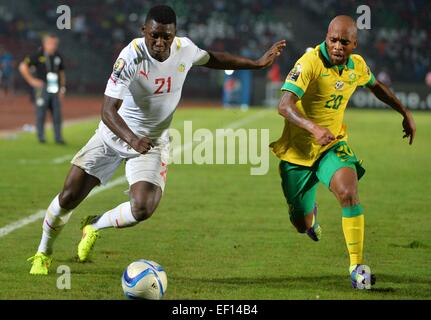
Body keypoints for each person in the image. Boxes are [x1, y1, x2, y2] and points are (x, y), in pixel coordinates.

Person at [28, 5, 286, 275]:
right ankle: (43, 252)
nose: (160, 42)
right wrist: (131, 138)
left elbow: (214, 58)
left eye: (167, 36)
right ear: (144, 31)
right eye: (155, 36)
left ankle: (94, 225)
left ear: (174, 35)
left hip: (151, 143)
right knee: (69, 196)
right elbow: (107, 111)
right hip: (114, 135)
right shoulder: (130, 56)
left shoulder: (184, 48)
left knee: (143, 207)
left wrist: (255, 63)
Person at [270, 16, 416, 289]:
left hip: (331, 146)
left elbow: (377, 88)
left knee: (348, 192)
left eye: (344, 42)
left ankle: (357, 266)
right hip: (297, 154)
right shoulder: (309, 63)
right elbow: (284, 106)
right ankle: (309, 215)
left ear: (354, 44)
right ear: (326, 37)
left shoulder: (356, 66)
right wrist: (313, 128)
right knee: (301, 224)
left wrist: (404, 112)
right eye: (332, 40)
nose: (337, 46)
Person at [19, 34, 66, 144]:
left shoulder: (58, 56)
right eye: (51, 43)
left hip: (55, 87)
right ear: (45, 43)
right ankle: (41, 137)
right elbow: (22, 66)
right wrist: (31, 81)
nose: (53, 46)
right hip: (43, 88)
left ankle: (58, 137)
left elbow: (62, 73)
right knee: (41, 113)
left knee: (57, 113)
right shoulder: (38, 54)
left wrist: (62, 88)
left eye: (55, 43)